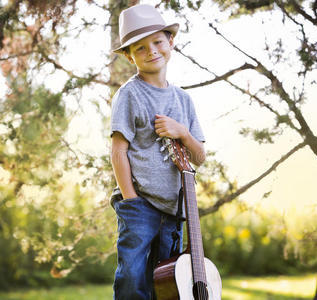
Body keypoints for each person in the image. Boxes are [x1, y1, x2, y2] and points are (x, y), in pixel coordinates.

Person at [109, 4, 206, 300]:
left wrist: (182, 132)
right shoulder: (129, 95)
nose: (151, 51)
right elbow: (118, 151)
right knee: (133, 276)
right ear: (129, 56)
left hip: (174, 209)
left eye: (158, 42)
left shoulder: (183, 100)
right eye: (140, 48)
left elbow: (199, 157)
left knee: (168, 284)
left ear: (171, 42)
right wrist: (132, 200)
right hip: (140, 203)